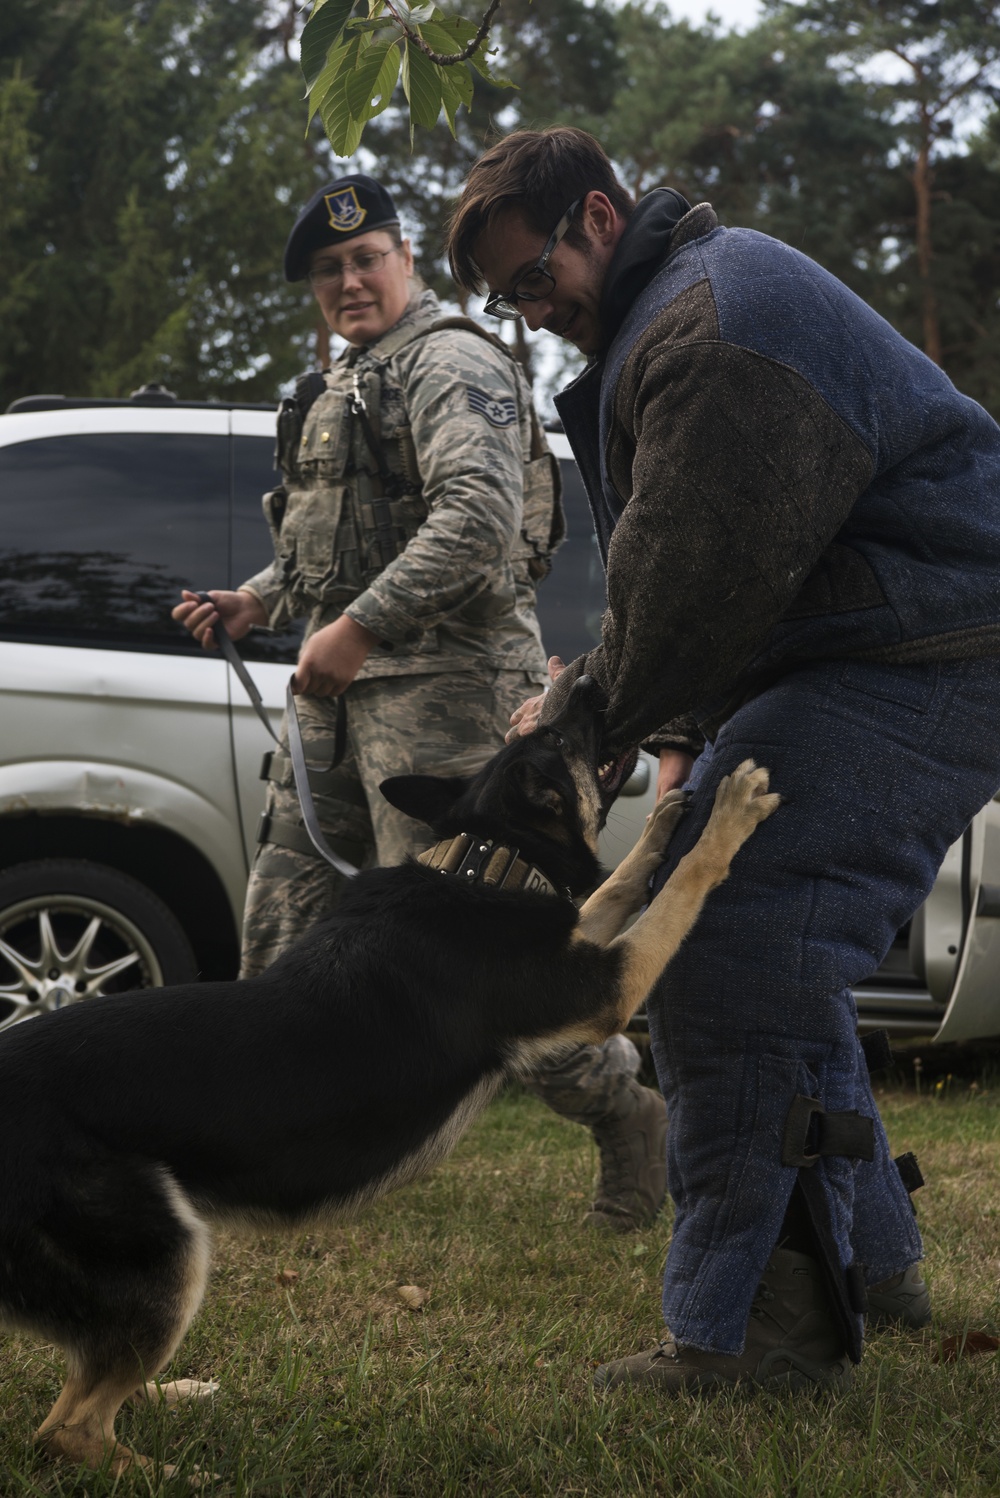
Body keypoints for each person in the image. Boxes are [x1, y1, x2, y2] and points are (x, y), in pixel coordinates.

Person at [446, 126, 1000, 1393]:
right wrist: (678, 749)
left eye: (534, 280)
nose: (530, 315)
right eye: (504, 298)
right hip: (866, 647)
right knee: (763, 944)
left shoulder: (715, 335)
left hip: (927, 649)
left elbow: (691, 593)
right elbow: (714, 579)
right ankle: (870, 1262)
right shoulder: (683, 312)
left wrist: (578, 720)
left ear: (596, 215)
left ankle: (763, 1335)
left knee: (731, 943)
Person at [173, 173, 668, 1234]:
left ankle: (628, 1114)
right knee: (286, 936)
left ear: (403, 260)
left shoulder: (449, 362)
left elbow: (478, 522)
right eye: (326, 271)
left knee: (476, 961)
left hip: (446, 704)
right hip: (338, 704)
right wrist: (255, 599)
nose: (348, 282)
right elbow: (329, 544)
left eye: (365, 259)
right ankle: (274, 1157)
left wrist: (357, 631)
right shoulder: (344, 380)